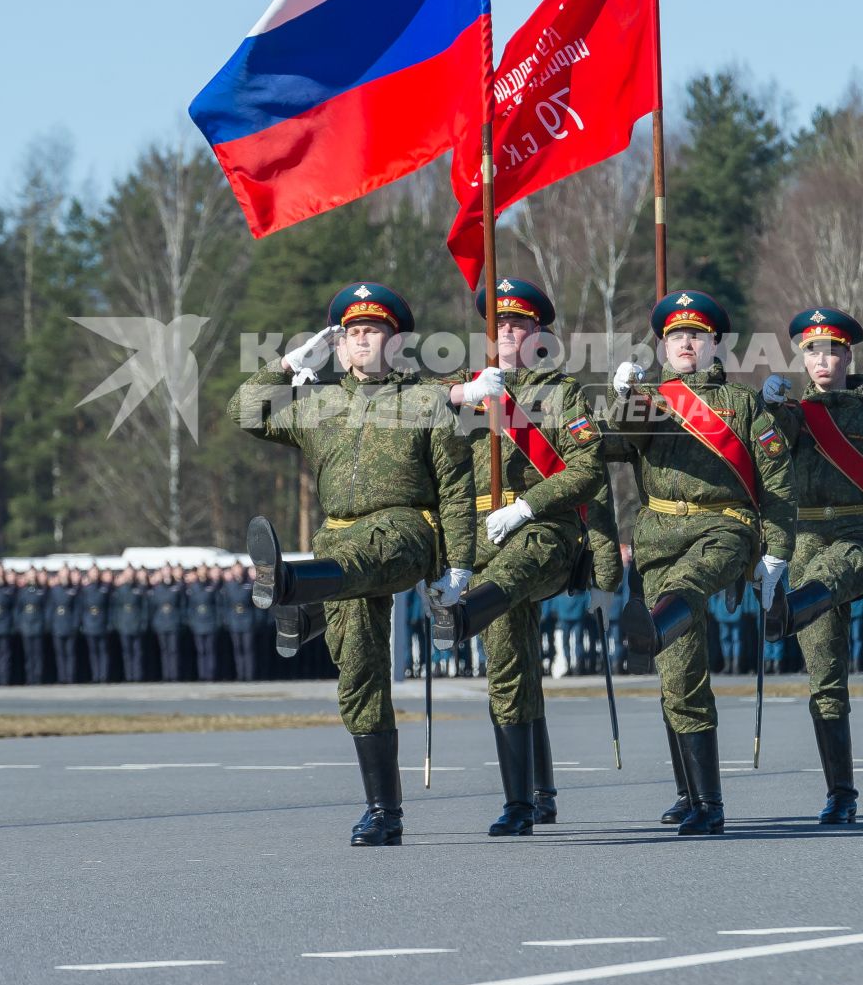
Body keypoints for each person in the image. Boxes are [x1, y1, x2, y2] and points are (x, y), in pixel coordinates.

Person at [228, 280, 475, 846]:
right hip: (338, 540)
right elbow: (244, 411)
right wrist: (288, 363)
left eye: (375, 331)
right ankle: (384, 811)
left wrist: (459, 565)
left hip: (407, 529)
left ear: (398, 343)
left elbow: (458, 490)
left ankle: (293, 588)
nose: (363, 341)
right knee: (359, 674)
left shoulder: (424, 401)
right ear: (338, 347)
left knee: (367, 551)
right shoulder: (317, 404)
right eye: (353, 333)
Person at [610, 288, 795, 835]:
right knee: (678, 669)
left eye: (696, 335)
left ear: (716, 343)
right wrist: (624, 398)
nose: (686, 343)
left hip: (725, 527)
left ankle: (709, 805)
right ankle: (696, 796)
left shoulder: (741, 406)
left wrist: (778, 553)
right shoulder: (650, 399)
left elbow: (778, 485)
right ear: (663, 344)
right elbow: (616, 445)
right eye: (675, 336)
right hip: (659, 533)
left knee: (685, 592)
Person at [430, 277, 610, 836]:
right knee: (510, 670)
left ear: (540, 332)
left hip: (544, 530)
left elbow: (588, 470)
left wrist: (529, 506)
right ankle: (529, 798)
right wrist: (457, 396)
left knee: (508, 580)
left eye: (519, 323)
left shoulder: (563, 393)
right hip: (481, 536)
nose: (508, 331)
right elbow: (414, 434)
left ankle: (458, 617)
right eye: (499, 324)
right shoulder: (468, 388)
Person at [760, 306, 863, 826]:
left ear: (848, 356)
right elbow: (761, 460)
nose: (823, 359)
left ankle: (786, 614)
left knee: (830, 574)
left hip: (861, 539)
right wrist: (764, 410)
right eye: (812, 350)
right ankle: (841, 792)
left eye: (832, 350)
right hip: (807, 542)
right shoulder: (791, 418)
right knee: (825, 678)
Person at [110, 571, 147, 683]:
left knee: (137, 652)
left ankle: (137, 675)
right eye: (127, 575)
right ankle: (129, 675)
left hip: (136, 624)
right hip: (124, 625)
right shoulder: (120, 590)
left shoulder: (139, 589)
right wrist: (117, 623)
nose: (129, 577)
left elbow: (144, 608)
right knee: (126, 652)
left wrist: (143, 623)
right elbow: (115, 609)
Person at [186, 568, 221, 681]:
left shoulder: (211, 586)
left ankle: (211, 674)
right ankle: (202, 674)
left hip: (210, 622)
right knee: (201, 651)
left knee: (210, 650)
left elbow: (217, 606)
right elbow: (190, 607)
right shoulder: (193, 587)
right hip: (198, 623)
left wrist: (217, 622)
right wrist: (191, 621)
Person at [79, 566, 112, 683]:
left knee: (103, 651)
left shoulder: (105, 588)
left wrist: (109, 623)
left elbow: (109, 607)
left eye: (96, 572)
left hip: (102, 622)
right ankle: (95, 675)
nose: (94, 575)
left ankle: (103, 675)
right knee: (93, 652)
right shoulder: (85, 589)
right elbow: (82, 608)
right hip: (89, 623)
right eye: (92, 573)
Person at [49, 567, 81, 683]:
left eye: (66, 575)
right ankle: (62, 677)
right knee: (60, 654)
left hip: (69, 625)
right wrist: (51, 624)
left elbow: (77, 609)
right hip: (57, 625)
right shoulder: (54, 590)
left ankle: (70, 677)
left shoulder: (73, 590)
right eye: (62, 575)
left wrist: (75, 625)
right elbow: (50, 609)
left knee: (70, 653)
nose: (64, 577)